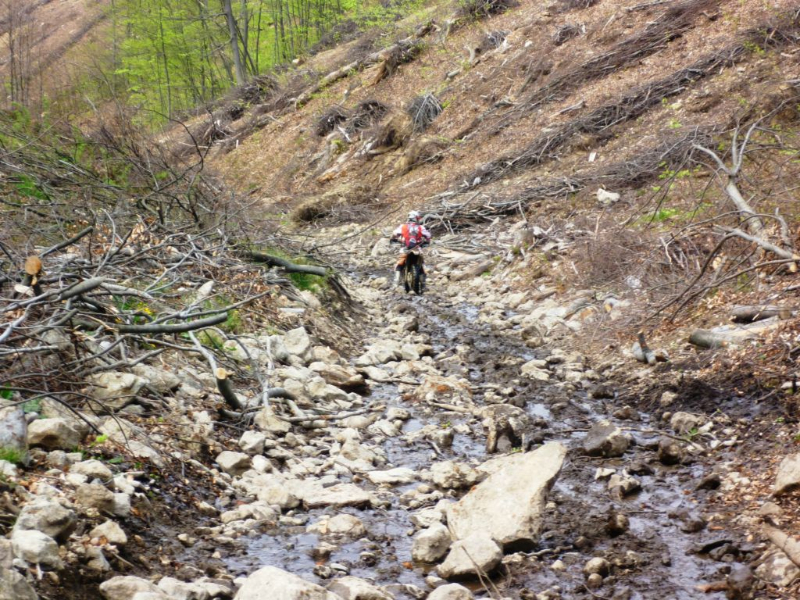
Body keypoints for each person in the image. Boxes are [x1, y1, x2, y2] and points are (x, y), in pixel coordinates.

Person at [390, 211, 432, 286]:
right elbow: (428, 236)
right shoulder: (421, 227)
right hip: (417, 248)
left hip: (405, 248)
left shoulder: (402, 226)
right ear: (416, 218)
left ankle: (395, 283)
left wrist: (393, 239)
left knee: (399, 264)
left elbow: (394, 233)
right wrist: (427, 242)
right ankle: (423, 283)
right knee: (422, 264)